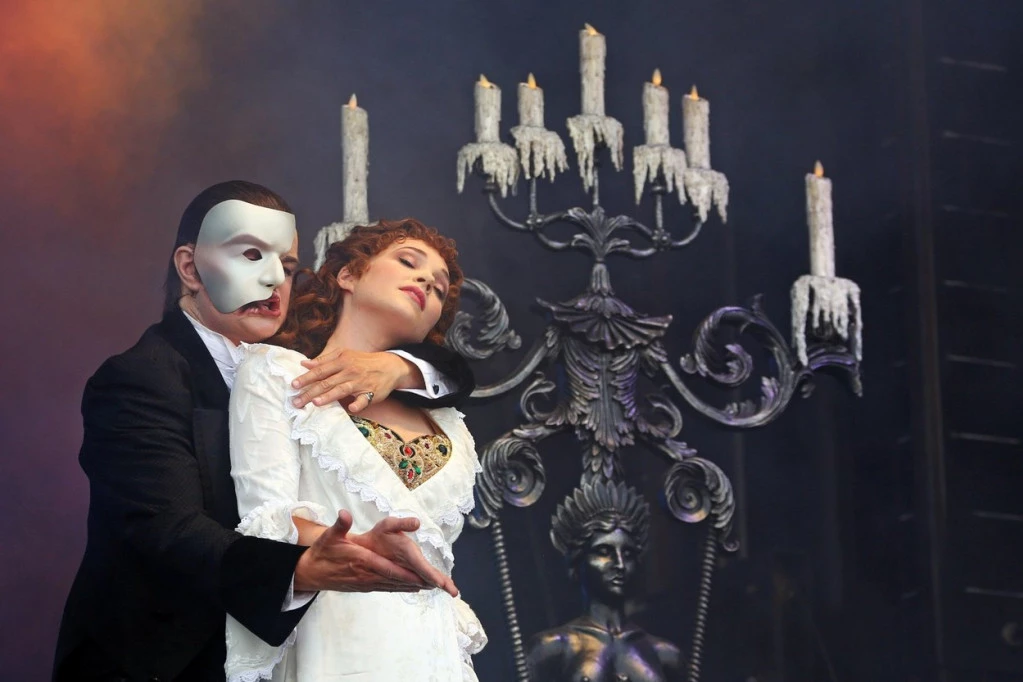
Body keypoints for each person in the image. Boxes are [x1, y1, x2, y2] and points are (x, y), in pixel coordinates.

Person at [54, 181, 475, 682]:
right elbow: (166, 529)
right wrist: (303, 567)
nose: (275, 279)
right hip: (164, 661)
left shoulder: (298, 364)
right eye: (251, 254)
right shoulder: (142, 377)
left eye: (290, 267)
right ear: (190, 268)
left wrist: (399, 367)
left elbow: (454, 372)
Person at [224, 219, 487, 682]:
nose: (427, 281)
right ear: (348, 275)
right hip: (335, 638)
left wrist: (398, 369)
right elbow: (266, 520)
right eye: (408, 261)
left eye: (440, 288)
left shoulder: (450, 423)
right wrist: (360, 547)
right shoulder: (277, 373)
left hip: (433, 653)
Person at [527, 481, 683, 682]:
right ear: (578, 561)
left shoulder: (664, 653)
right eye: (604, 551)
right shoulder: (551, 647)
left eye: (627, 553)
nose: (620, 564)